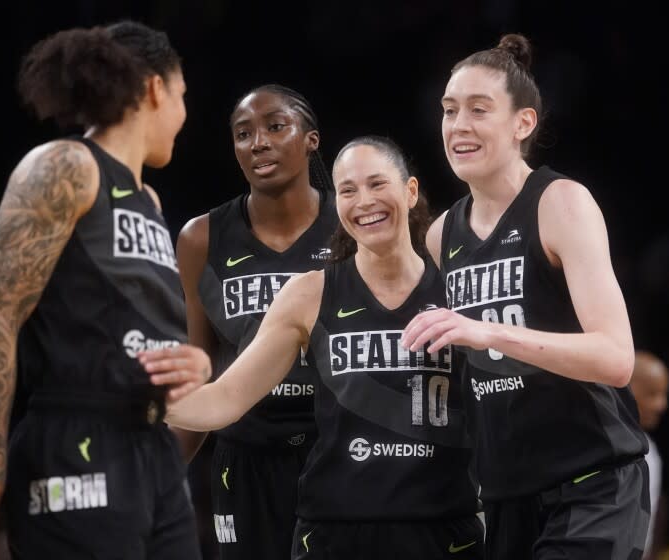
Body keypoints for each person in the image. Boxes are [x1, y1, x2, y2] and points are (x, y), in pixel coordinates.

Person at [0, 21, 207, 559]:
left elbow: (136, 328)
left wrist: (194, 366)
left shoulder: (150, 200)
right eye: (183, 96)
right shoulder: (65, 166)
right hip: (76, 442)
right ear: (154, 89)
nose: (185, 115)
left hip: (152, 451)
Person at [140, 136, 483, 559]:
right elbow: (224, 401)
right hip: (334, 532)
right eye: (348, 190)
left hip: (443, 529)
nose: (364, 202)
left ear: (410, 191)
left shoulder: (458, 286)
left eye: (377, 184)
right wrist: (137, 393)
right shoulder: (309, 293)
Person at [401, 33, 650, 559]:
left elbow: (616, 358)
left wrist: (488, 332)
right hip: (506, 496)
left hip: (592, 486)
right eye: (449, 111)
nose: (458, 125)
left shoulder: (561, 203)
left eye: (478, 109)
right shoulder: (441, 234)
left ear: (523, 123)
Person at [173, 84, 338, 560]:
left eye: (275, 127)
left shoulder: (351, 227)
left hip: (336, 452)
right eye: (243, 134)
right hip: (242, 460)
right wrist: (150, 479)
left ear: (310, 139)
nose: (258, 142)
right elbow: (200, 372)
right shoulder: (201, 238)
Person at [630, 350, 669, 559]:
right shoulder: (599, 447)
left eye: (664, 395)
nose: (661, 405)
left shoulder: (650, 451)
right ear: (625, 388)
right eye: (652, 394)